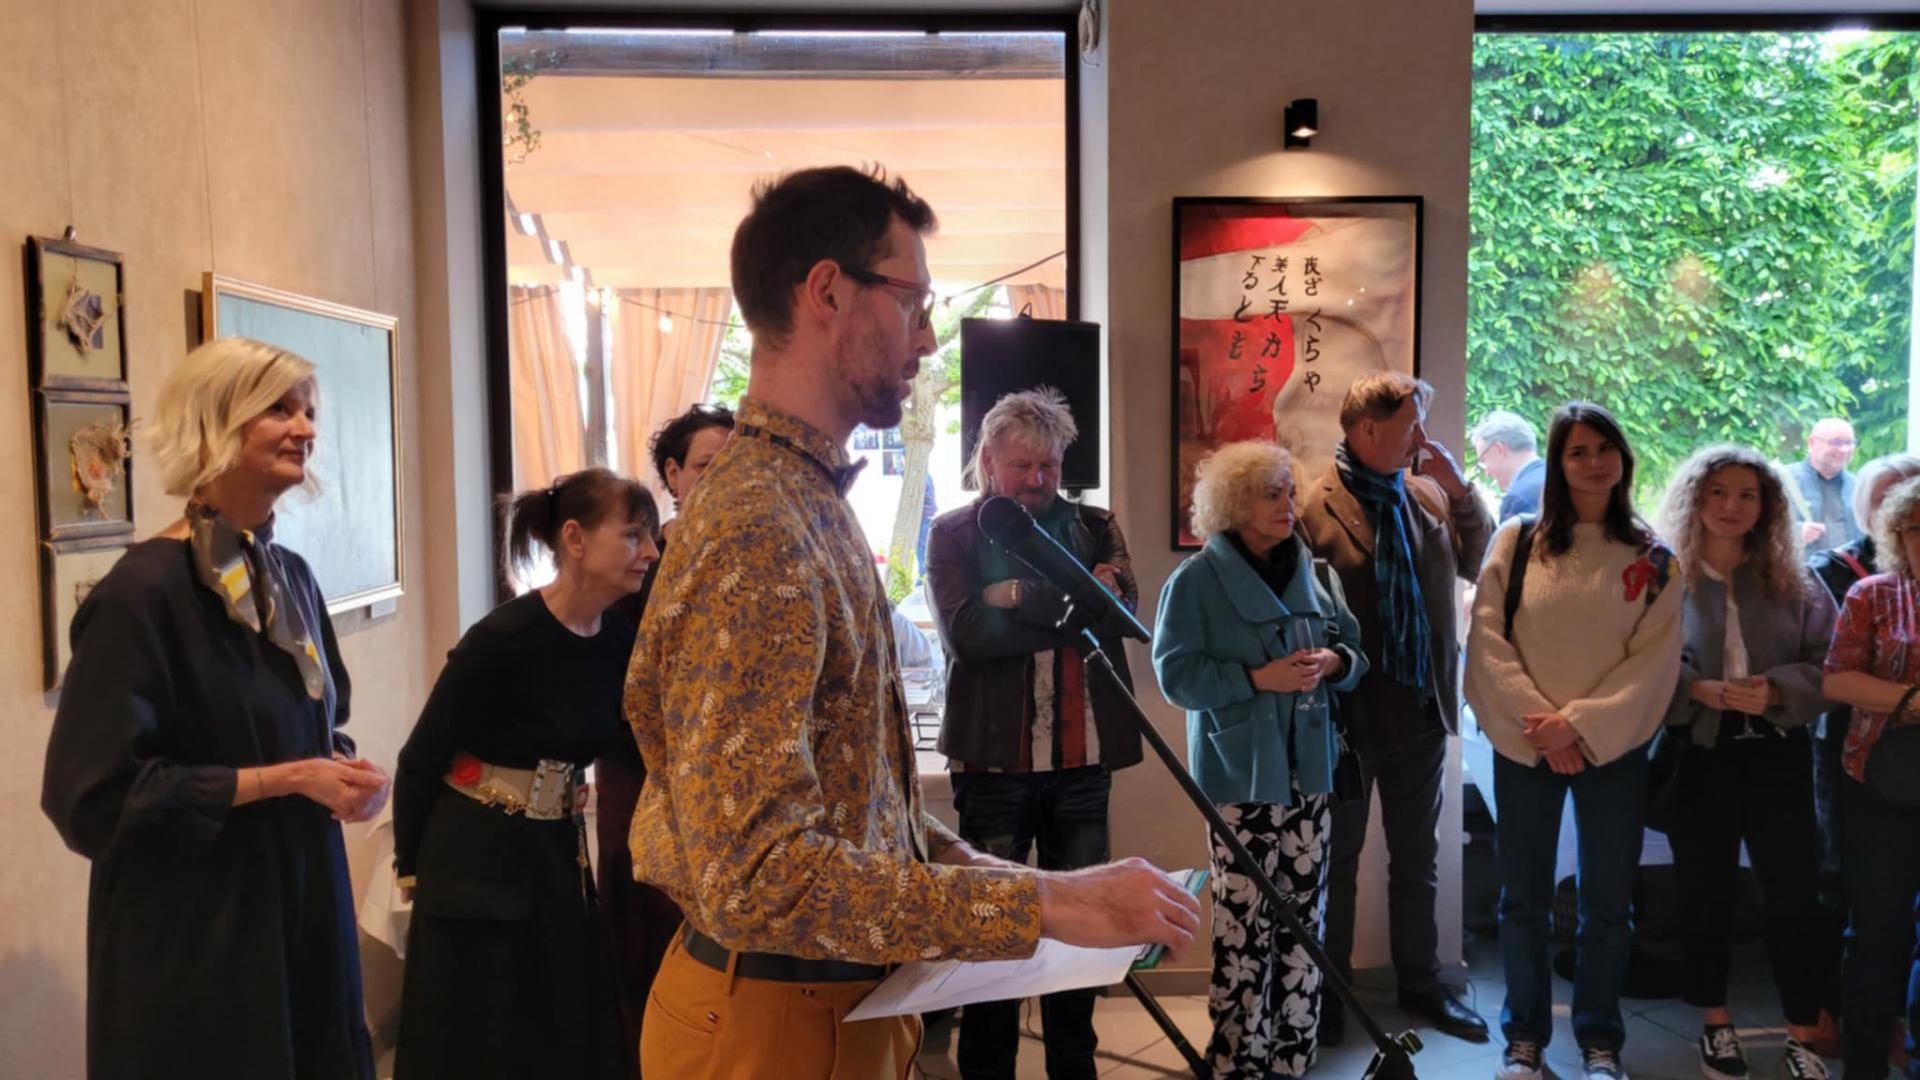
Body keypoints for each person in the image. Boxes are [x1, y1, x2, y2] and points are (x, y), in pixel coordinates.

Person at [624, 165, 1200, 1080]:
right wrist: (1052, 904)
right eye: (913, 303)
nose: (928, 340)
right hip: (773, 1021)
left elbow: (859, 813)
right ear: (827, 292)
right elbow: (762, 877)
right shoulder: (757, 527)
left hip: (825, 1007)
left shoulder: (802, 499)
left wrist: (1026, 881)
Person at [41, 336, 389, 1078]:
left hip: (302, 908)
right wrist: (286, 779)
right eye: (279, 409)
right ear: (215, 421)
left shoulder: (290, 575)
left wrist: (344, 774)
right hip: (200, 938)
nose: (305, 428)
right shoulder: (141, 593)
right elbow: (92, 798)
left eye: (310, 411)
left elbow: (312, 726)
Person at [392, 468, 660, 1077]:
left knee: (562, 1027)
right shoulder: (501, 640)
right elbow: (421, 756)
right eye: (633, 535)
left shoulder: (619, 638)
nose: (650, 551)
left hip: (556, 856)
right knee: (483, 1039)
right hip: (475, 864)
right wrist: (411, 865)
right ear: (575, 539)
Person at [925, 386, 1142, 1079]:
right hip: (994, 765)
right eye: (1022, 465)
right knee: (991, 934)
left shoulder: (1096, 526)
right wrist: (1072, 606)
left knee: (1083, 934)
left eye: (1048, 466)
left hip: (1083, 761)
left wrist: (1015, 596)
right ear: (989, 461)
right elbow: (967, 637)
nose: (1037, 479)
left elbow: (1121, 613)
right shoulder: (953, 534)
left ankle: (1073, 1069)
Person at [1464, 401, 1683, 1080]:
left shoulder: (1654, 556)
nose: (1593, 462)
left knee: (1608, 906)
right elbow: (1488, 641)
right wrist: (1546, 725)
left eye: (1604, 448)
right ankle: (1523, 1039)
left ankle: (1600, 1041)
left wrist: (1580, 727)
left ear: (1624, 458)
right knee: (1524, 902)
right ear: (1558, 463)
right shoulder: (1518, 541)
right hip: (1528, 744)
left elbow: (1654, 663)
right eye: (1577, 451)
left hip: (1611, 751)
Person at [1154, 439, 1369, 1078]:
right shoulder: (1195, 581)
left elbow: (1354, 653)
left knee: (1304, 922)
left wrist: (1333, 662)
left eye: (1288, 491)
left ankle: (1291, 1058)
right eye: (1270, 494)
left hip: (1311, 773)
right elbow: (1175, 676)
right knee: (1243, 923)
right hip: (1239, 775)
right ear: (1233, 504)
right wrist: (1256, 679)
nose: (1287, 504)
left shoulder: (1318, 573)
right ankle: (1237, 1060)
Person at [1294, 371, 1493, 1045]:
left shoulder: (1427, 495)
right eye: (1411, 426)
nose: (1421, 438)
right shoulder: (1312, 505)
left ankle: (1422, 987)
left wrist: (1460, 489)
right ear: (1367, 429)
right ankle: (1328, 996)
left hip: (1421, 709)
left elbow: (1482, 560)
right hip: (1346, 718)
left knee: (1417, 860)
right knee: (1337, 863)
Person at [1655, 445, 1837, 1080]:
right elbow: (1638, 664)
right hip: (1700, 752)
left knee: (1794, 893)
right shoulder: (1663, 578)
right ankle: (1716, 1023)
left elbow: (1831, 664)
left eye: (1747, 496)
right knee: (1704, 892)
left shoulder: (1795, 579)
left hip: (1779, 750)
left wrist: (1778, 690)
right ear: (1695, 499)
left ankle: (1802, 1033)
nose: (1731, 506)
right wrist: (1694, 689)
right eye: (1718, 492)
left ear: (1767, 507)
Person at [598, 403, 733, 1074]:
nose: (723, 479)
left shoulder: (759, 557)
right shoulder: (636, 567)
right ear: (674, 475)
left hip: (730, 786)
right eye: (707, 466)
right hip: (642, 776)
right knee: (645, 936)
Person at [1804, 452, 1920, 1056]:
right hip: (1879, 779)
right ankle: (1867, 1054)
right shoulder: (1870, 592)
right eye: (1915, 527)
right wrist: (1913, 700)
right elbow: (1836, 679)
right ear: (1895, 533)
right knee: (1875, 925)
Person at [1785, 417, 1863, 553]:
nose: (1844, 450)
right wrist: (1794, 532)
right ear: (1812, 443)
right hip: (1797, 565)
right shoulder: (1782, 480)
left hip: (1849, 566)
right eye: (1836, 442)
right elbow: (1758, 527)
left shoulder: (1859, 487)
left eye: (1849, 443)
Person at [1470, 409, 1545, 523]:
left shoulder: (1517, 498)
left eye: (1483, 460)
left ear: (1498, 449)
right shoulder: (1557, 475)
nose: (1487, 473)